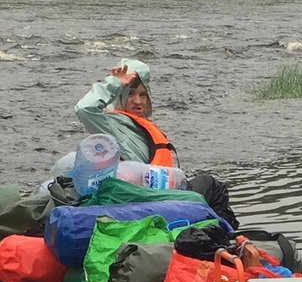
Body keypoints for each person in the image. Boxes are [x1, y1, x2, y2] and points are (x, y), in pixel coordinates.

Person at [74, 59, 237, 225]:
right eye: (130, 94)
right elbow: (84, 109)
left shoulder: (137, 124)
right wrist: (114, 83)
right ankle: (226, 235)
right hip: (141, 200)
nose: (138, 101)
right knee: (211, 186)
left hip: (152, 194)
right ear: (119, 95)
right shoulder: (111, 123)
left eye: (143, 95)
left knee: (202, 185)